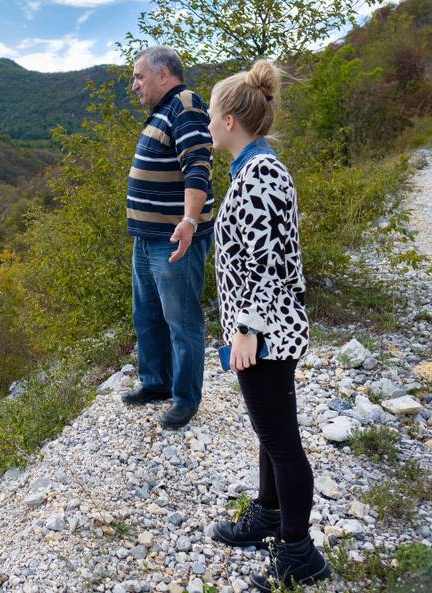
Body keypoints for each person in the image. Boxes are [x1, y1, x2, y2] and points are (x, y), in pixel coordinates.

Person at [206, 60, 329, 591]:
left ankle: (300, 553)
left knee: (281, 440)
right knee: (269, 431)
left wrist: (246, 329)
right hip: (268, 324)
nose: (207, 124)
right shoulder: (257, 169)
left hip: (266, 329)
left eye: (211, 115)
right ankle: (268, 515)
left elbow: (259, 260)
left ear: (231, 119)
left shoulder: (259, 175)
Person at [121, 46, 215, 430]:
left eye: (139, 76)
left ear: (163, 75)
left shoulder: (186, 104)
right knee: (147, 317)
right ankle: (156, 383)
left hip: (174, 239)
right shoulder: (161, 112)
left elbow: (198, 166)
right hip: (146, 238)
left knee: (182, 321)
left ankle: (185, 399)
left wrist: (190, 220)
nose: (135, 85)